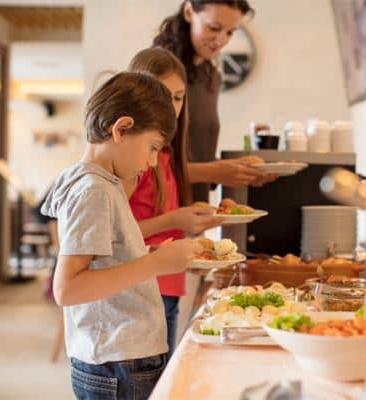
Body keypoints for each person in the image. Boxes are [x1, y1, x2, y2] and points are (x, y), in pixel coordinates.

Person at [41, 71, 202, 400]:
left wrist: (150, 252)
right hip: (118, 362)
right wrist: (153, 265)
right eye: (153, 147)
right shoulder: (94, 190)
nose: (153, 162)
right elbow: (68, 288)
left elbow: (102, 258)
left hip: (119, 358)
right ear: (122, 129)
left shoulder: (98, 183)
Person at [126, 47, 222, 360]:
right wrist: (176, 221)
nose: (171, 107)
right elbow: (116, 236)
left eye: (178, 97)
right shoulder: (135, 158)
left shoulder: (166, 154)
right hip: (137, 293)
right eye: (161, 96)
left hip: (166, 288)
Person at [154, 0, 276, 203]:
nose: (221, 40)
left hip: (195, 212)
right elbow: (148, 168)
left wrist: (239, 171)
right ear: (188, 11)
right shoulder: (161, 72)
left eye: (230, 32)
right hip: (162, 213)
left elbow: (199, 160)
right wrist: (215, 171)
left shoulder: (210, 76)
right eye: (214, 27)